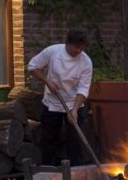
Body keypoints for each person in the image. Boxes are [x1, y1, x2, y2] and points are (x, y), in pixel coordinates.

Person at [27, 28, 95, 165]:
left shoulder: (86, 62)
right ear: (68, 43)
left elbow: (83, 88)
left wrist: (74, 110)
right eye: (76, 47)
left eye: (81, 48)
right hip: (52, 102)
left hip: (74, 102)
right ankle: (48, 171)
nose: (78, 51)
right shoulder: (53, 51)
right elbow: (32, 67)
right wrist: (48, 82)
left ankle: (76, 172)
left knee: (75, 140)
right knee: (49, 139)